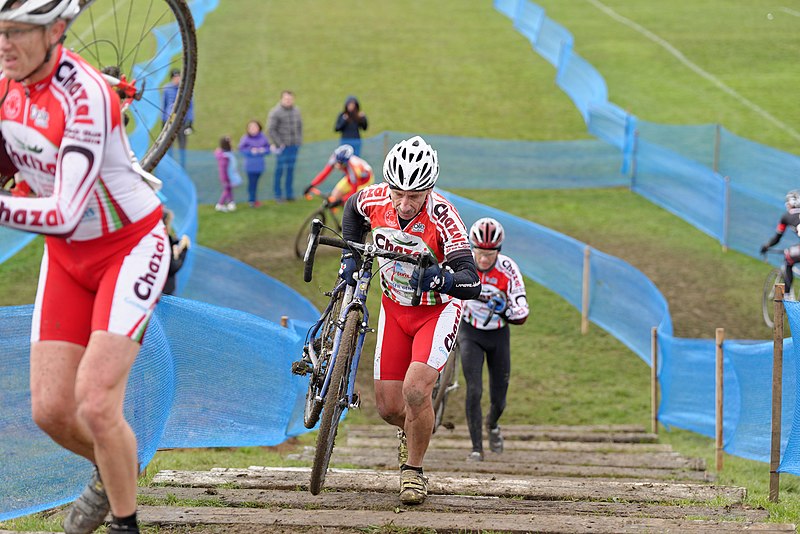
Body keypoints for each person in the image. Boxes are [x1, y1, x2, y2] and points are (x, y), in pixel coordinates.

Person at [0, 1, 172, 533]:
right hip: (69, 258)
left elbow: (64, 211)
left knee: (97, 404)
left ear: (55, 31)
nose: (3, 44)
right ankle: (115, 464)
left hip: (130, 247)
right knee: (50, 412)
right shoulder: (7, 84)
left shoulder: (87, 95)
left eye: (16, 33)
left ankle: (125, 521)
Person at [339, 136, 480, 505]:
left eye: (414, 196)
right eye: (397, 192)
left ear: (429, 190)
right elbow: (352, 211)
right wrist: (350, 258)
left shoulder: (443, 217)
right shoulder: (374, 198)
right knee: (388, 407)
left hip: (436, 311)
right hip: (394, 307)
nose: (403, 203)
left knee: (415, 390)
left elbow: (471, 278)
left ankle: (413, 473)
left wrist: (442, 278)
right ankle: (416, 427)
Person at [459, 217, 529, 462]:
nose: (484, 259)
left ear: (498, 251)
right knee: (474, 389)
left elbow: (522, 309)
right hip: (470, 331)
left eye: (490, 254)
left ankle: (493, 424)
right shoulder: (464, 261)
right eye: (480, 252)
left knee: (499, 399)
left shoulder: (508, 268)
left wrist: (506, 310)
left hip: (498, 333)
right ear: (472, 247)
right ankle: (476, 448)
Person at [302, 144, 373, 206]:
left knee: (352, 203)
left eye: (341, 164)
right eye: (337, 162)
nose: (338, 165)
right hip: (350, 178)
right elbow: (324, 173)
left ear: (347, 162)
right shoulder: (334, 158)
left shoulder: (353, 169)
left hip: (364, 181)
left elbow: (354, 191)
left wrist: (341, 201)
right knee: (334, 197)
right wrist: (311, 185)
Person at [760, 190, 800, 294]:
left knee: (788, 256)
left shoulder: (786, 216)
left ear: (789, 204)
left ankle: (786, 296)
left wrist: (766, 246)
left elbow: (777, 238)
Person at [266, 90, 302, 202]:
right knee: (280, 171)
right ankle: (278, 195)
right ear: (281, 99)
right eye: (286, 99)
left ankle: (289, 194)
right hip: (282, 148)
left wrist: (298, 141)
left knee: (290, 171)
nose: (288, 101)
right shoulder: (275, 112)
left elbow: (300, 126)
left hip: (293, 147)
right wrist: (279, 143)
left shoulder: (296, 111)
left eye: (290, 99)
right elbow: (271, 129)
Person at [161, 68, 194, 169]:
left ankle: (182, 166)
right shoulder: (166, 89)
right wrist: (163, 122)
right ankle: (171, 166)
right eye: (175, 77)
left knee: (182, 145)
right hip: (169, 121)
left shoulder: (185, 89)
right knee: (168, 146)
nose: (177, 79)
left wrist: (190, 122)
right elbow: (163, 105)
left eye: (178, 77)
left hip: (182, 122)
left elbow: (191, 107)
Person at [238, 119, 270, 207]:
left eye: (255, 127)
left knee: (256, 183)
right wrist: (251, 151)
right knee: (252, 183)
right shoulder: (245, 138)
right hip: (250, 166)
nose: (253, 129)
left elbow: (268, 149)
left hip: (260, 165)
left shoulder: (263, 137)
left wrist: (262, 150)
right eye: (251, 127)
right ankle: (252, 200)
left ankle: (254, 199)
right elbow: (241, 150)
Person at [162, 209, 191, 296]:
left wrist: (176, 242)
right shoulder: (163, 242)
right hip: (163, 291)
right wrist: (183, 250)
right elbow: (172, 267)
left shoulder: (157, 238)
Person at [213, 136, 240, 212]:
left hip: (229, 176)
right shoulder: (224, 157)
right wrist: (226, 178)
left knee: (229, 189)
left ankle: (231, 203)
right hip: (226, 177)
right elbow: (223, 169)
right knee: (227, 190)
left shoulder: (227, 154)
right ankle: (220, 204)